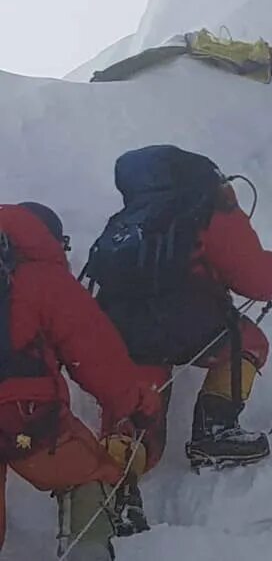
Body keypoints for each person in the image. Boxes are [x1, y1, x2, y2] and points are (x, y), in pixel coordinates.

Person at [84, 146, 272, 493]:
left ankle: (109, 490)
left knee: (138, 419)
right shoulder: (206, 206)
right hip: (189, 325)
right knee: (249, 342)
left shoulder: (125, 221)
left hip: (120, 334)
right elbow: (256, 281)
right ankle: (216, 429)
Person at [0, 202, 160, 560]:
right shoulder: (42, 277)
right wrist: (138, 403)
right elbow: (98, 359)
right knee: (90, 472)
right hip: (22, 415)